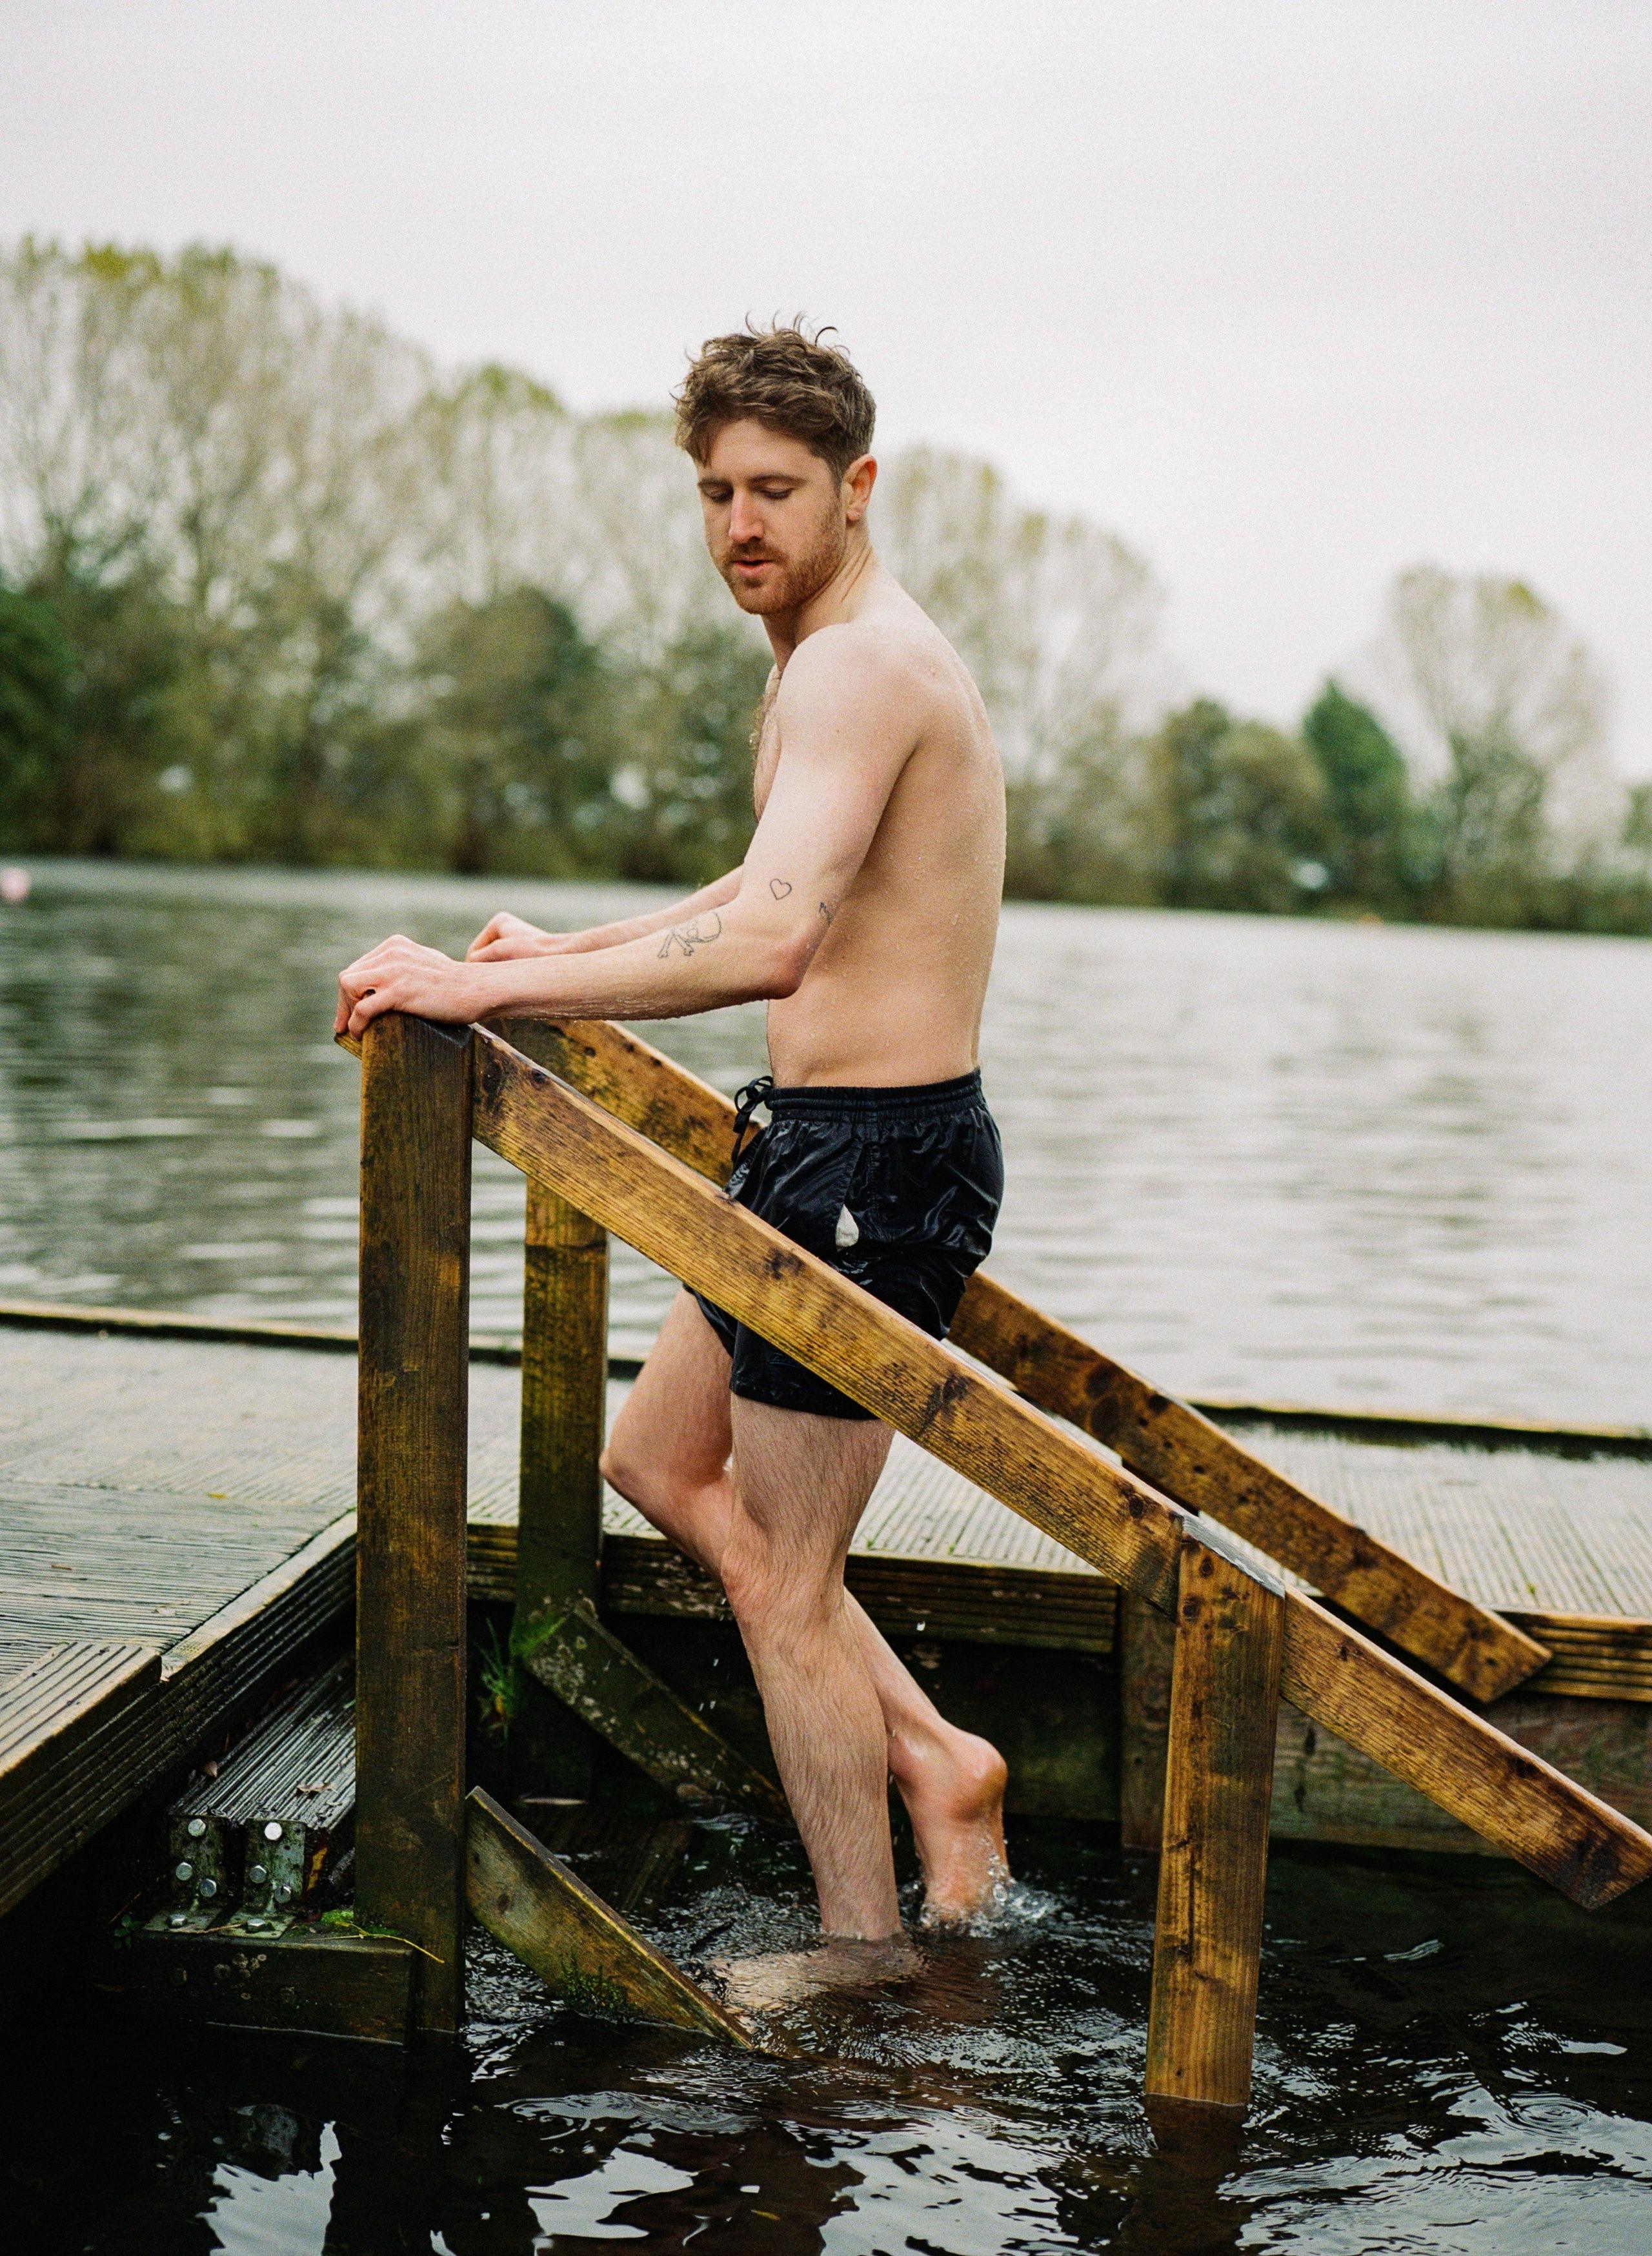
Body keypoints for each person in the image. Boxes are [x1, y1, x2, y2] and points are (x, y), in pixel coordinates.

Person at [335, 325, 1011, 2000]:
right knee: (654, 1460)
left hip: (880, 1162)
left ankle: (861, 1957)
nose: (739, 525)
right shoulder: (818, 662)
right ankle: (936, 1752)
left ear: (860, 486)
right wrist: (573, 943)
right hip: (817, 1151)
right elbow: (755, 887)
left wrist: (485, 986)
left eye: (775, 489)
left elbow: (774, 944)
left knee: (788, 1589)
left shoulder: (864, 662)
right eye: (714, 490)